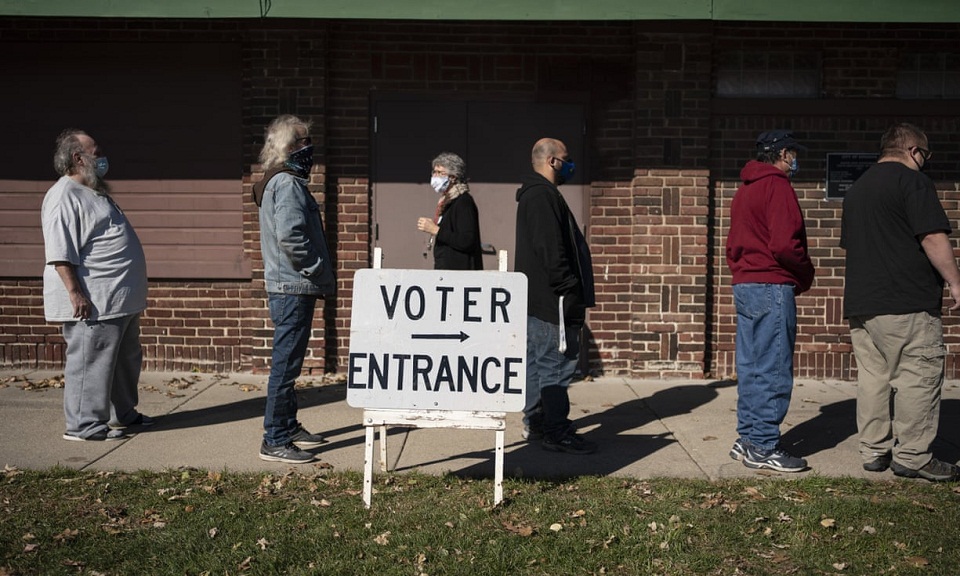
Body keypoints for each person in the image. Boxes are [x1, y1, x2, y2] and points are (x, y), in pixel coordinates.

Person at [841, 123, 960, 482]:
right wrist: (955, 281)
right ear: (913, 150)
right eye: (925, 155)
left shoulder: (857, 190)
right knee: (918, 376)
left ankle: (874, 450)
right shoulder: (913, 182)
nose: (924, 162)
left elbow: (854, 246)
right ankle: (913, 456)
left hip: (862, 303)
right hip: (906, 301)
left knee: (873, 378)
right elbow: (932, 236)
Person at [42, 129, 153, 441]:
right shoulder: (63, 195)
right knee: (91, 364)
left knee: (124, 362)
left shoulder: (93, 191)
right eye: (97, 151)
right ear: (78, 158)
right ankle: (83, 426)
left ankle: (124, 415)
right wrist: (75, 293)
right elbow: (59, 251)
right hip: (94, 300)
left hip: (119, 299)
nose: (103, 158)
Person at [726, 130, 815, 472]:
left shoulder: (745, 189)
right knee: (773, 368)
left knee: (751, 368)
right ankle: (763, 446)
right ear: (781, 154)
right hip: (771, 285)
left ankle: (747, 439)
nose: (795, 160)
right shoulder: (777, 186)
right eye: (793, 153)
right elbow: (784, 245)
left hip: (746, 284)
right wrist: (805, 274)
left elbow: (734, 244)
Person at [252, 115, 336, 464]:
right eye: (301, 141)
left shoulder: (283, 181)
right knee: (285, 367)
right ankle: (275, 439)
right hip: (292, 287)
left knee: (291, 363)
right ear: (286, 147)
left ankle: (287, 425)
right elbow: (291, 238)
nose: (308, 147)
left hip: (291, 286)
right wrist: (316, 268)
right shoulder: (286, 184)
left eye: (307, 140)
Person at [515, 137, 596, 455]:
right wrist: (568, 287)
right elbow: (551, 249)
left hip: (542, 300)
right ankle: (555, 431)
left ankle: (537, 423)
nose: (570, 164)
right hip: (553, 301)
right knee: (554, 365)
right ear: (551, 161)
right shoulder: (542, 197)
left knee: (537, 364)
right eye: (566, 158)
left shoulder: (537, 195)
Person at [416, 152, 483, 270]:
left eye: (440, 173)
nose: (435, 176)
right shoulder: (447, 202)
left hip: (460, 273)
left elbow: (467, 240)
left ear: (453, 177)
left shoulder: (463, 202)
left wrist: (436, 230)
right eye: (434, 172)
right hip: (446, 271)